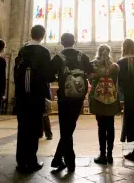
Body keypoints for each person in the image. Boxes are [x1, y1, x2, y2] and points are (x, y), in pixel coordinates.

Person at [50, 33, 93, 173]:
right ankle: (59, 159)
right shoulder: (83, 56)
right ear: (74, 41)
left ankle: (68, 162)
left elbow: (49, 75)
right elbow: (91, 73)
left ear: (62, 42)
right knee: (69, 128)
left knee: (65, 129)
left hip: (64, 98)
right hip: (79, 97)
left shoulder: (58, 57)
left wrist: (59, 76)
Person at [14, 25, 52, 173]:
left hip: (22, 96)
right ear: (42, 36)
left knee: (22, 128)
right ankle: (32, 161)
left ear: (31, 34)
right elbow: (48, 75)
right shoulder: (43, 52)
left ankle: (20, 162)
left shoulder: (22, 50)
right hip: (37, 96)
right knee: (35, 127)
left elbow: (16, 73)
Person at [89, 44, 121, 165]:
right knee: (110, 126)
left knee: (101, 127)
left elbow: (91, 80)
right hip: (111, 99)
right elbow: (116, 81)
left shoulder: (93, 65)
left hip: (98, 99)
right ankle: (110, 155)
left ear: (98, 52)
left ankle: (102, 155)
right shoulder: (115, 67)